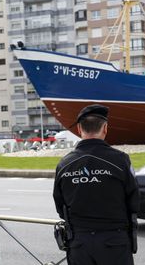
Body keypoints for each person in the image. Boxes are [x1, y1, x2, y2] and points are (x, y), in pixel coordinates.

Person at [53, 104, 139, 265]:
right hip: (114, 242)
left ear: (79, 129)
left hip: (79, 244)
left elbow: (60, 205)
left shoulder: (64, 164)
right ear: (105, 128)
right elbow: (134, 200)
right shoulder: (120, 160)